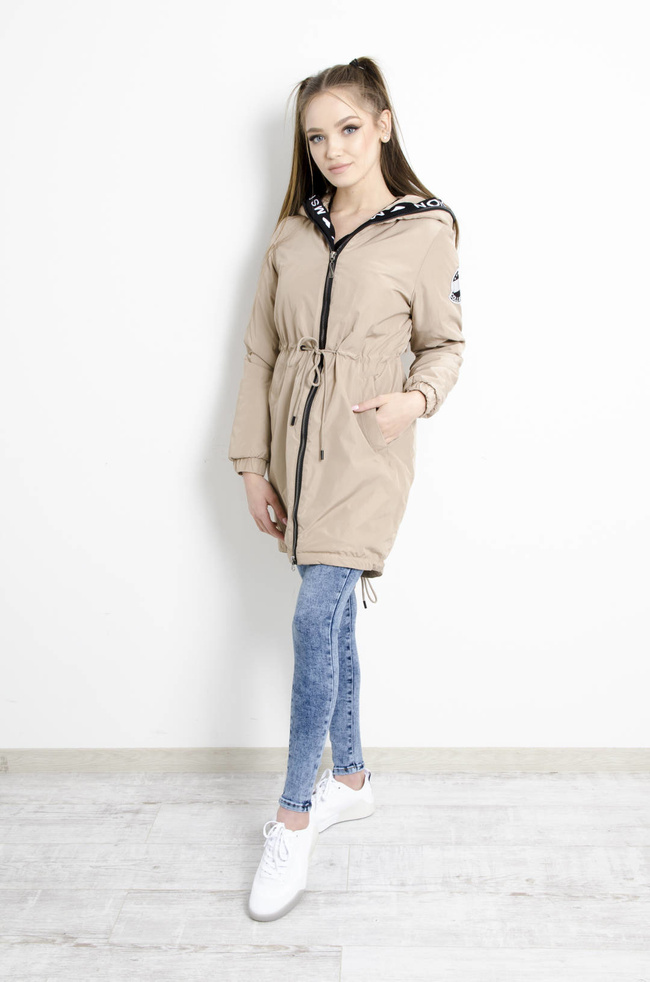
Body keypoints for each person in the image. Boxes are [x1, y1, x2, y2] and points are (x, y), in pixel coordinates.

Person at [227, 55, 465, 921]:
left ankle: (294, 815)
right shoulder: (292, 235)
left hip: (367, 448)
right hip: (294, 450)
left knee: (312, 617)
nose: (333, 148)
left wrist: (414, 400)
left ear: (384, 125)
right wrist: (252, 465)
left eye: (350, 128)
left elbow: (445, 343)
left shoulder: (426, 230)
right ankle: (353, 778)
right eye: (317, 136)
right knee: (330, 621)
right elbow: (260, 353)